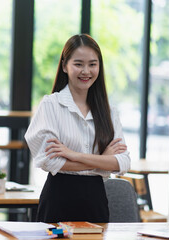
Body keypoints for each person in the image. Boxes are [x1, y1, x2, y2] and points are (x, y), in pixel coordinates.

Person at [24, 34, 131, 223]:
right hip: (59, 199)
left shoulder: (109, 112)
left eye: (92, 64)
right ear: (65, 66)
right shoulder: (51, 105)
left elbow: (122, 162)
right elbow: (50, 161)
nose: (86, 71)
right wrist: (104, 159)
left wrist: (73, 155)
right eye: (78, 64)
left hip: (96, 201)